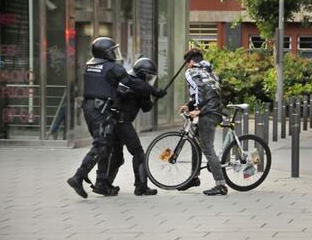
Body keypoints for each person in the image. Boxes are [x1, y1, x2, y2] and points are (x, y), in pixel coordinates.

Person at [67, 37, 131, 198]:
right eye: (112, 51)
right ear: (105, 52)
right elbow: (128, 82)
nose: (114, 54)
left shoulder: (90, 66)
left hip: (90, 109)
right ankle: (78, 176)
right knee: (101, 144)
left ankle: (102, 183)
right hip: (101, 110)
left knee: (107, 144)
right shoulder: (112, 67)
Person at [93, 57, 166, 196]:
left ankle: (105, 184)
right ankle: (141, 187)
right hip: (122, 122)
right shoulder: (134, 82)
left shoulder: (134, 84)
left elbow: (146, 107)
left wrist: (153, 97)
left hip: (113, 122)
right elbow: (142, 88)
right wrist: (155, 92)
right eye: (149, 76)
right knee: (138, 152)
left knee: (117, 156)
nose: (150, 79)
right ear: (143, 74)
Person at [177, 48, 228, 196]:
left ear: (190, 61)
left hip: (208, 113)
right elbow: (207, 92)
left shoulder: (191, 72)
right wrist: (189, 105)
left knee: (207, 148)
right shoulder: (210, 71)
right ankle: (194, 177)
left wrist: (199, 109)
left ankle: (221, 185)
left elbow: (200, 90)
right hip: (216, 110)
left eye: (187, 63)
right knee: (195, 141)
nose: (187, 66)